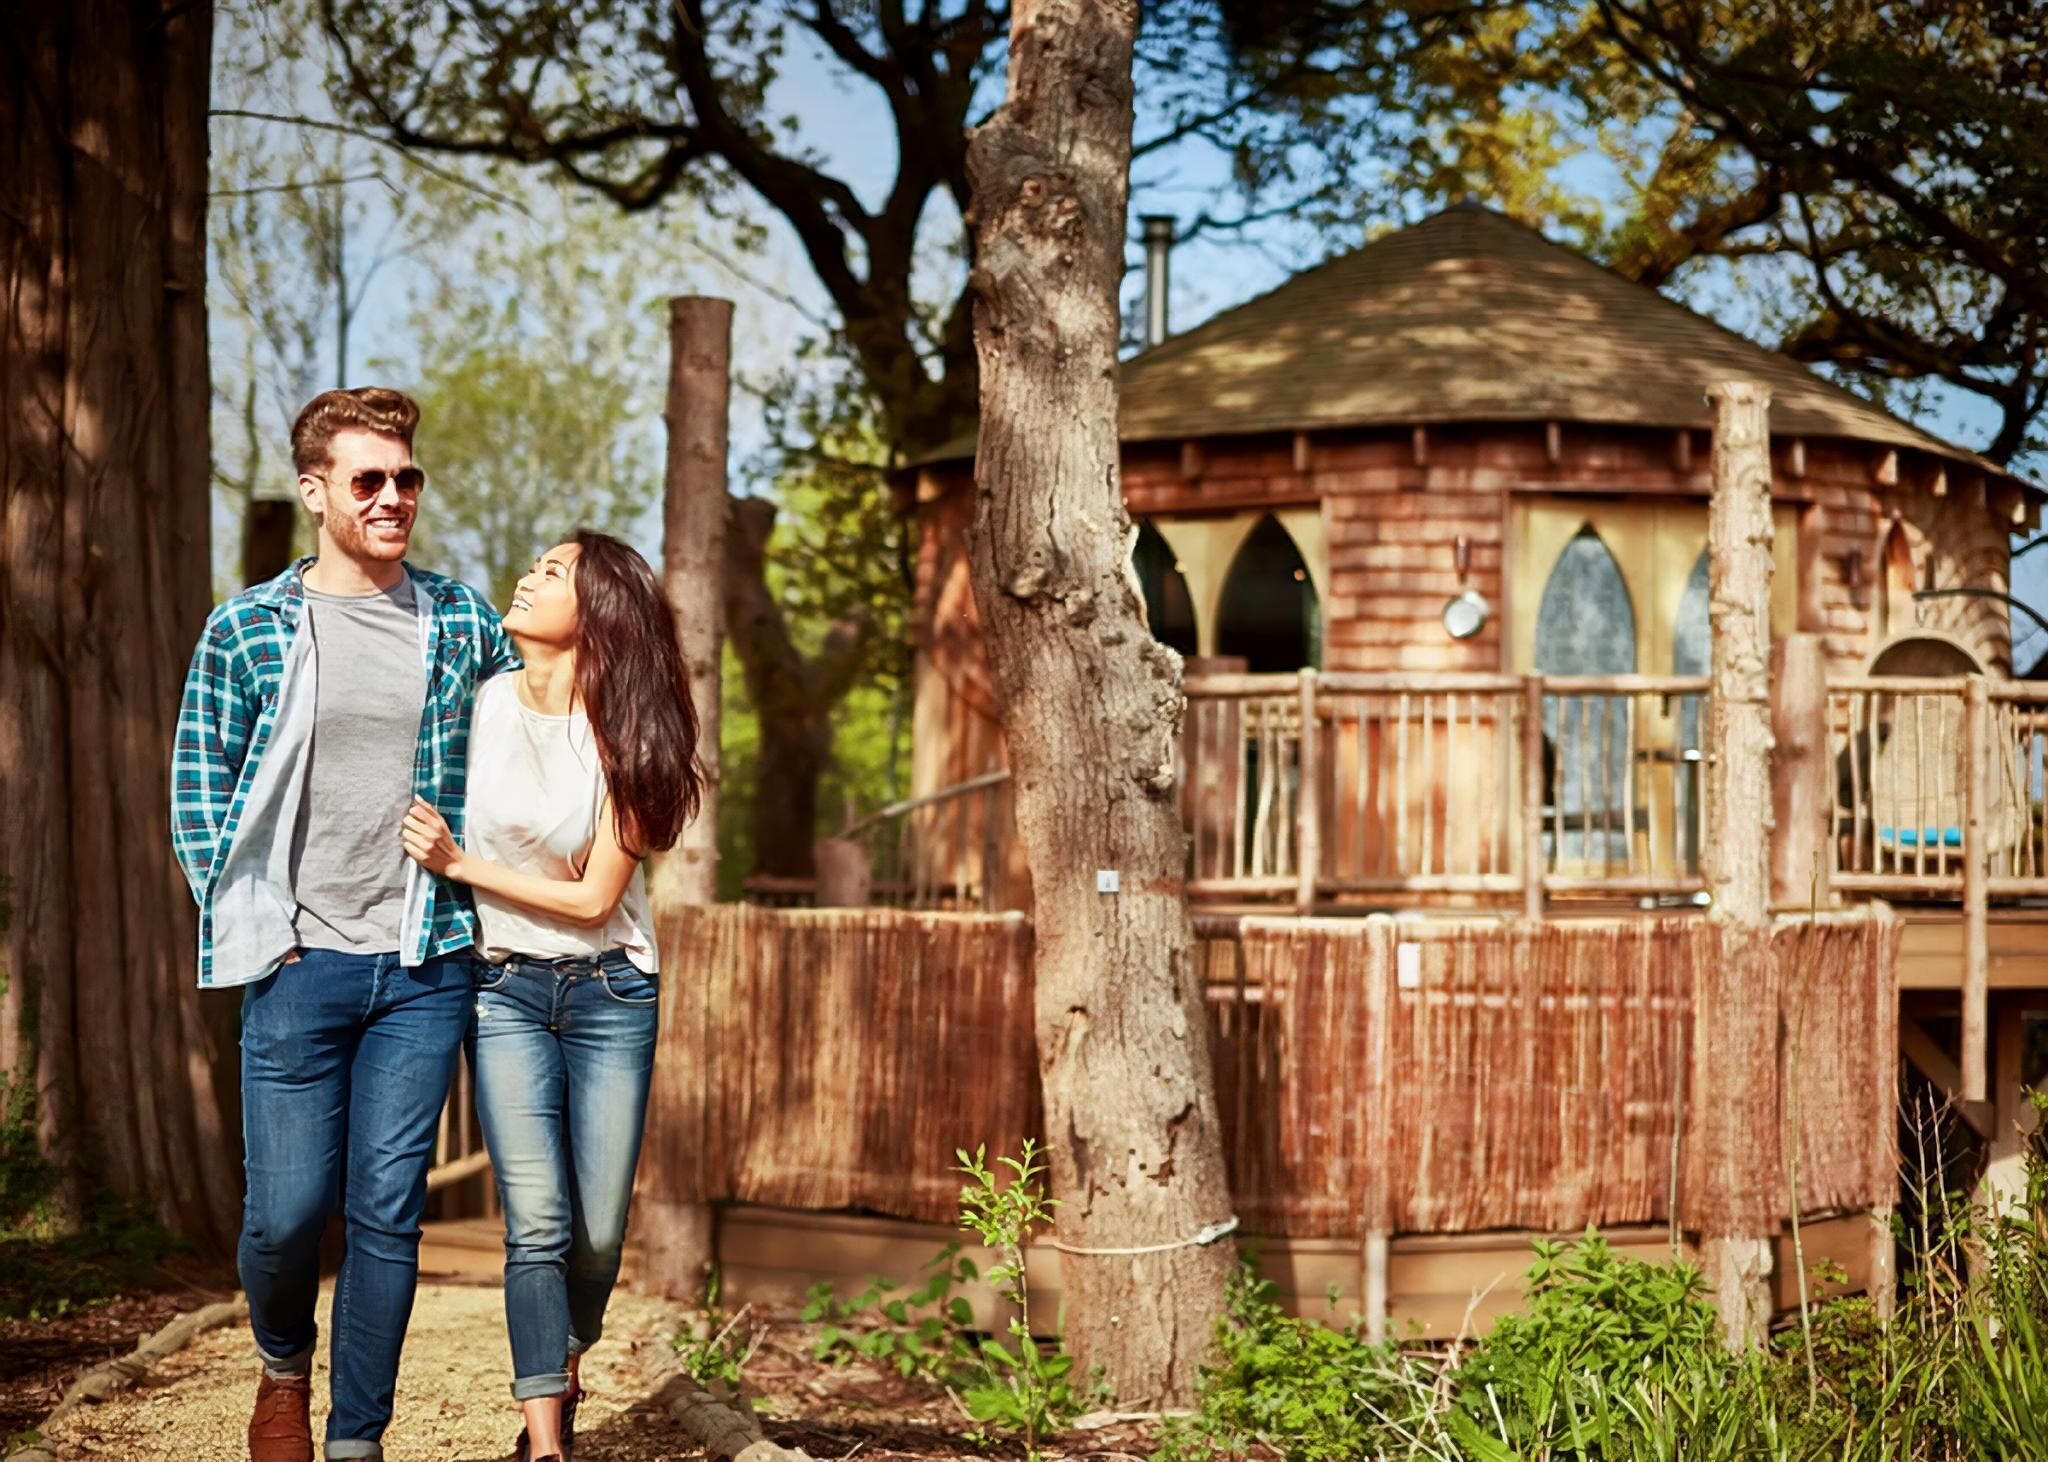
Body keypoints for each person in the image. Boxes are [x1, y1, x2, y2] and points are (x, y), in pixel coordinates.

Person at [171, 387, 519, 1462]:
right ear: (316, 491)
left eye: (405, 477)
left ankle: (356, 1436)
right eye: (367, 479)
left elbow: (530, 748)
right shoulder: (247, 624)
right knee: (284, 1213)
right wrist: (253, 926)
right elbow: (197, 785)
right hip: (296, 959)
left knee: (386, 1214)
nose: (392, 496)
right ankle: (282, 1366)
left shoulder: (461, 618)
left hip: (424, 959)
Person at [400, 530, 702, 1462]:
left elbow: (592, 898)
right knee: (536, 1223)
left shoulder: (629, 732)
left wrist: (460, 864)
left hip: (613, 994)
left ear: (597, 611)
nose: (528, 579)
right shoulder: (477, 707)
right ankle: (546, 1443)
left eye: (553, 572)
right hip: (506, 990)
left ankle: (565, 1354)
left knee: (599, 1237)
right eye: (534, 565)